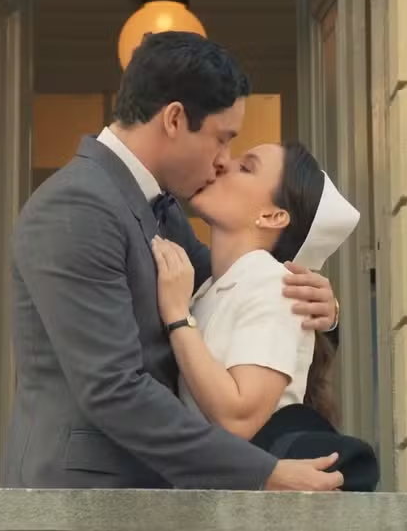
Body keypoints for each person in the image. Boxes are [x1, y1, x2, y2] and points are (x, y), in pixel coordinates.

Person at [0, 31, 342, 491]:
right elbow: (113, 389)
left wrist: (323, 312)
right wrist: (263, 473)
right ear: (175, 119)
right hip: (82, 496)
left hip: (146, 497)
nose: (222, 161)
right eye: (222, 139)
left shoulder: (161, 211)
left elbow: (236, 289)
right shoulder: (76, 206)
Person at [151, 142, 380, 492]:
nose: (223, 163)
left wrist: (177, 316)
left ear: (273, 216)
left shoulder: (273, 284)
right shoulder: (207, 289)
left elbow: (238, 418)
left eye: (246, 167)